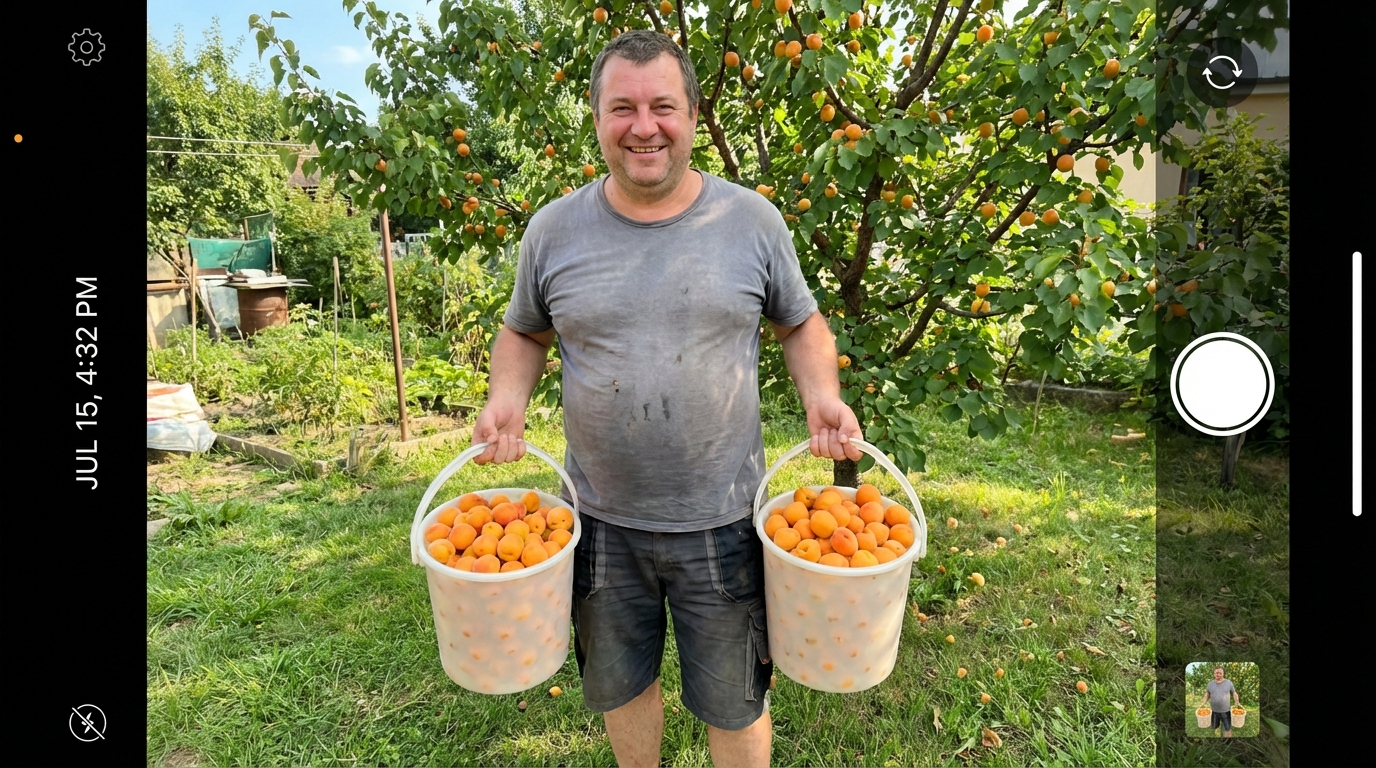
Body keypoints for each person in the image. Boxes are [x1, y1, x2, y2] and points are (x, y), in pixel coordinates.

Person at [468, 28, 863, 768]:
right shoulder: (553, 230)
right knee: (622, 687)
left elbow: (800, 322)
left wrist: (822, 394)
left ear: (692, 114)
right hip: (598, 519)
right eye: (622, 108)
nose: (643, 127)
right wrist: (505, 397)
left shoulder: (751, 220)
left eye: (663, 107)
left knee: (736, 698)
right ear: (596, 117)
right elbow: (524, 331)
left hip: (725, 518)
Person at [1200, 667, 1241, 737]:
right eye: (1216, 673)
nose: (1218, 674)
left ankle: (1227, 740)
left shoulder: (1229, 683)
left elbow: (1234, 693)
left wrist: (1237, 702)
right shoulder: (1210, 684)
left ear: (1223, 674)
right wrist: (1203, 703)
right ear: (1214, 674)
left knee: (1227, 728)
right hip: (1214, 711)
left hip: (1226, 711)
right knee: (1215, 726)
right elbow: (1207, 694)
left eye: (1220, 673)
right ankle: (1217, 735)